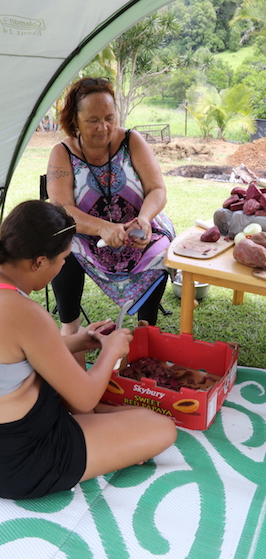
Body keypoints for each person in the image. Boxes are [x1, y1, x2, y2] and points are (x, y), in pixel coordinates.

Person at [0, 200, 177, 500]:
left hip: (16, 436)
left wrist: (81, 341)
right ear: (39, 261)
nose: (62, 267)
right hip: (24, 459)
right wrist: (112, 351)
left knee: (103, 403)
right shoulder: (24, 313)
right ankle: (114, 436)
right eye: (63, 259)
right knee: (162, 428)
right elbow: (84, 397)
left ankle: (109, 430)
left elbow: (16, 355)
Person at [46, 76, 175, 339]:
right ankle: (70, 328)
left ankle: (146, 329)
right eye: (93, 120)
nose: (103, 127)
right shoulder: (62, 152)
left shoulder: (132, 141)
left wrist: (144, 219)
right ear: (75, 121)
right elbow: (61, 209)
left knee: (160, 251)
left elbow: (157, 189)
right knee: (64, 246)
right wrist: (103, 228)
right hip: (87, 235)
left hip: (138, 230)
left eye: (109, 117)